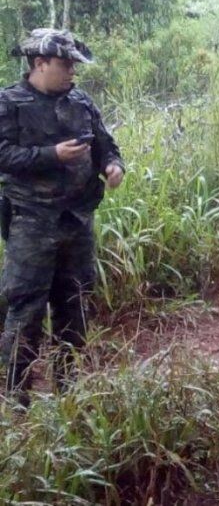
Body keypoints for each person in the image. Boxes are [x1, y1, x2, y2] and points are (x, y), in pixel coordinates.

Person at [0, 28, 125, 407]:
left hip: (76, 221)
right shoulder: (10, 103)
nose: (72, 71)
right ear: (40, 63)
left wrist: (114, 165)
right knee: (26, 311)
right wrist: (50, 154)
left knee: (74, 307)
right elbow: (3, 155)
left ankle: (69, 392)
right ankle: (15, 400)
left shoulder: (81, 102)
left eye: (74, 64)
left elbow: (105, 144)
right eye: (65, 64)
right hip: (31, 223)